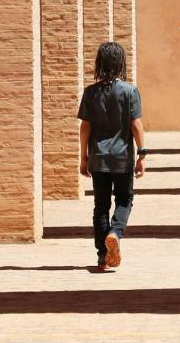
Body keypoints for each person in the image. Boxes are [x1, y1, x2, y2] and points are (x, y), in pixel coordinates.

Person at [78, 41, 147, 270]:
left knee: (100, 206)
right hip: (121, 159)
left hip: (98, 158)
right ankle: (115, 232)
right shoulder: (129, 91)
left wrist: (83, 157)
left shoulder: (90, 92)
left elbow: (85, 127)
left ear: (99, 63)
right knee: (125, 199)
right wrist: (142, 154)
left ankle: (101, 256)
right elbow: (135, 125)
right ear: (120, 63)